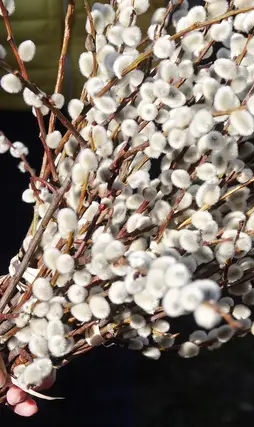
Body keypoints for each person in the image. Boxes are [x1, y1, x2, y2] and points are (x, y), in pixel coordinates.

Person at [0, 1, 165, 424]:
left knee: (114, 282)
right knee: (18, 270)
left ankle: (104, 404)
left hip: (135, 103)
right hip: (16, 105)